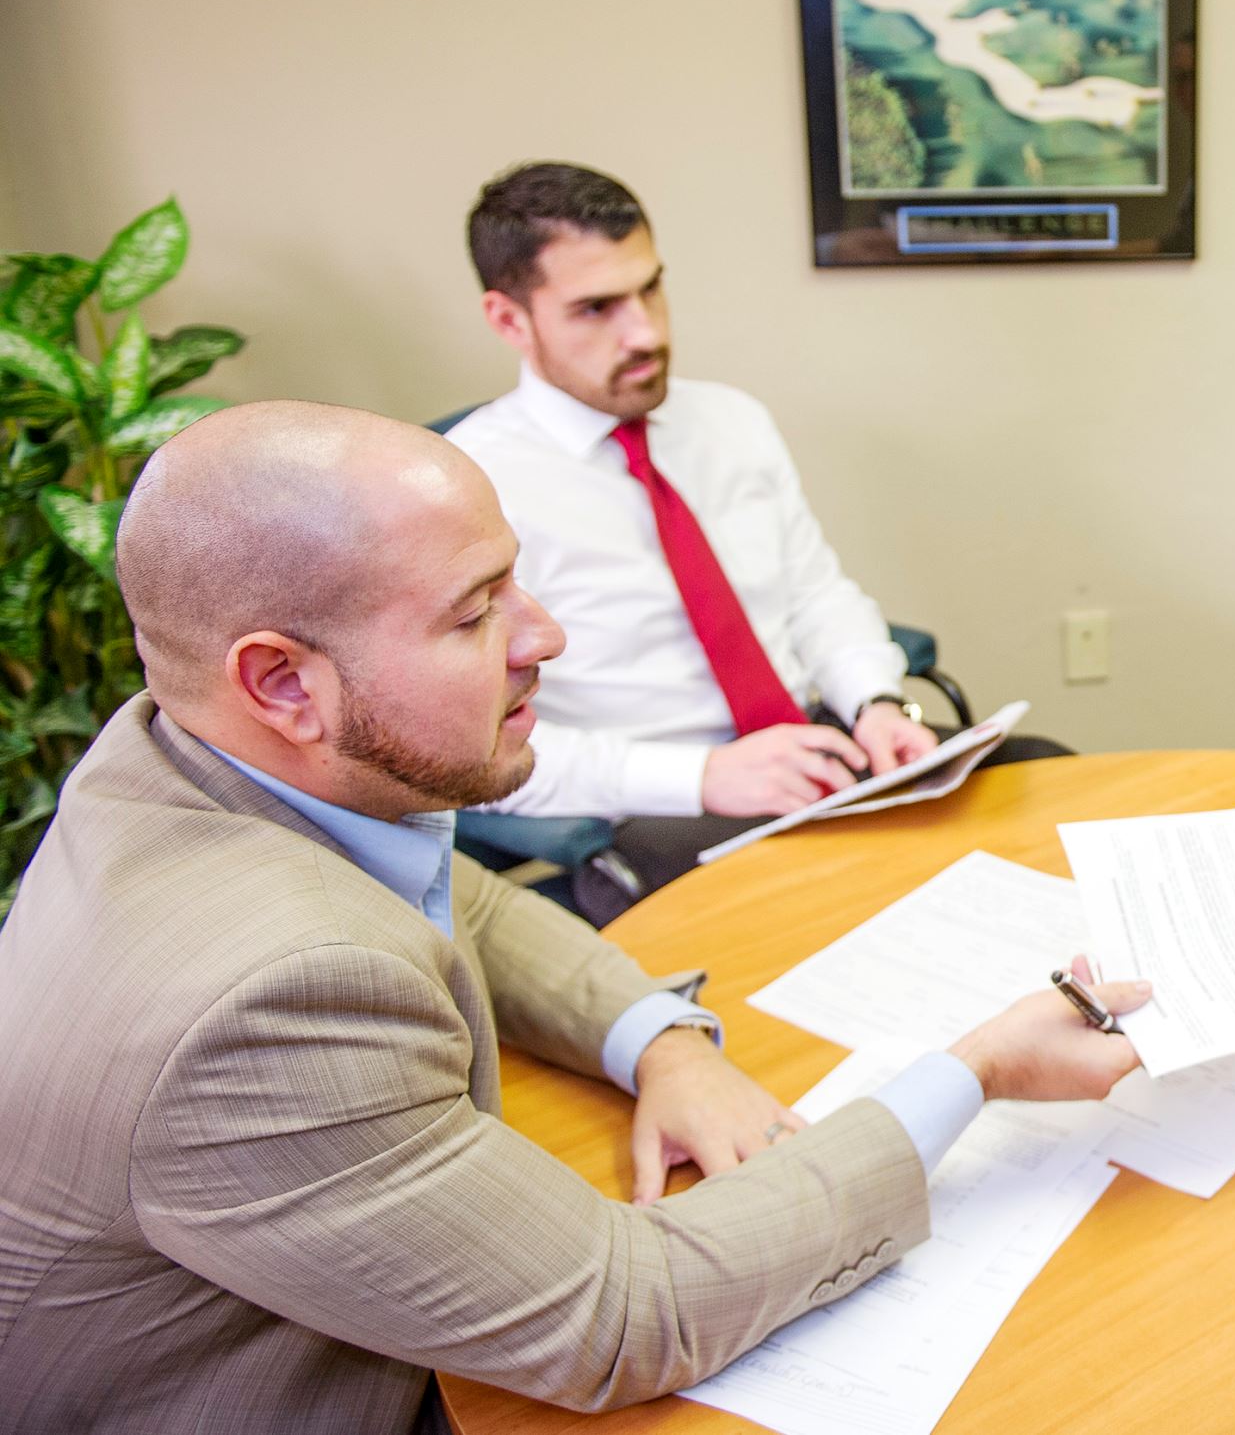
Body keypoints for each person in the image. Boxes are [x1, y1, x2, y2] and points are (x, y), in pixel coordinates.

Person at [0, 402, 1144, 1434]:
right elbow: (627, 1315)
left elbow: (460, 900)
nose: (543, 636)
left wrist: (663, 1039)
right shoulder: (260, 1004)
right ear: (283, 683)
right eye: (474, 615)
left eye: (516, 582)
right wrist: (977, 1072)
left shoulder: (179, 749)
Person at [443, 162, 1067, 914]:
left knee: (1051, 790)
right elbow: (472, 755)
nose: (646, 331)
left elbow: (813, 595)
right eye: (597, 308)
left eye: (650, 288)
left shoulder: (730, 423)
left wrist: (875, 702)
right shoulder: (468, 488)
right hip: (661, 808)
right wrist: (704, 776)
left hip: (816, 749)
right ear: (510, 320)